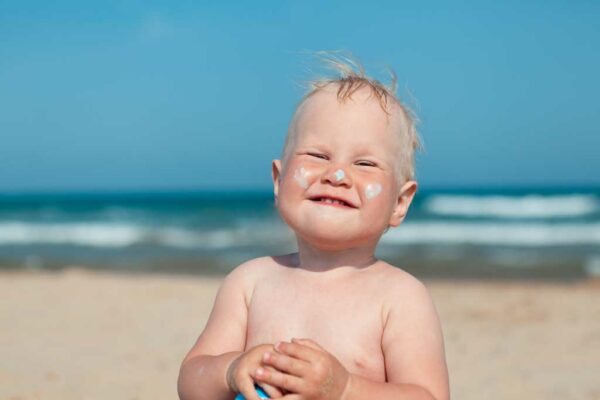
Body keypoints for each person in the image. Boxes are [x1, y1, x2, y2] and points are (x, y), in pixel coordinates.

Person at [178, 54, 449, 400]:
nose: (336, 175)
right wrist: (230, 369)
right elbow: (191, 381)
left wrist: (346, 388)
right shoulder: (249, 283)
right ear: (278, 180)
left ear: (399, 203)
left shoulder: (400, 298)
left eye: (364, 163)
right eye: (317, 156)